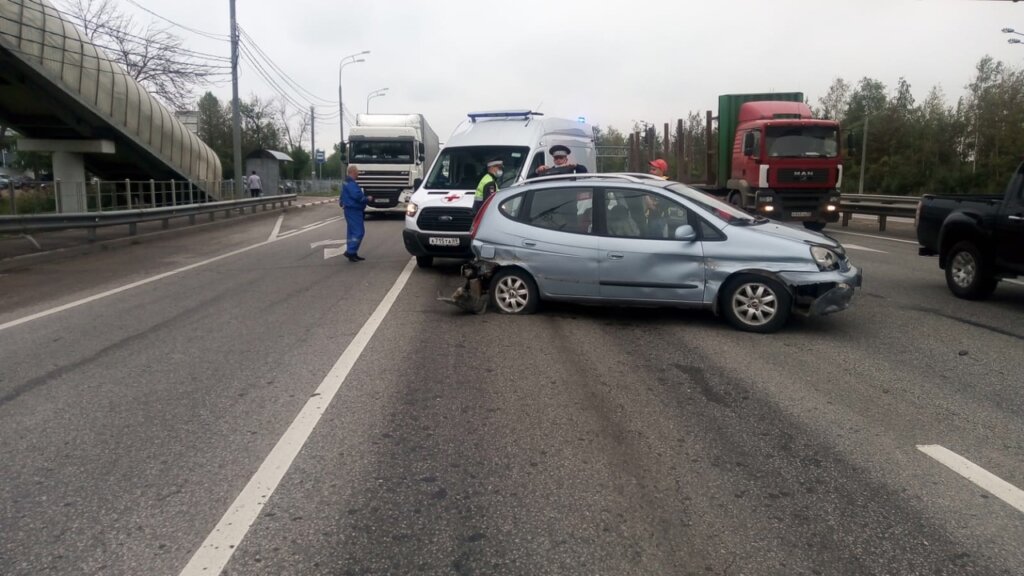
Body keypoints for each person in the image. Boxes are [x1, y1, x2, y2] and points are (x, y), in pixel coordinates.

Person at [340, 164, 373, 262]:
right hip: (354, 210)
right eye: (357, 172)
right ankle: (350, 252)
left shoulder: (346, 182)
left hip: (351, 210)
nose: (358, 174)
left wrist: (341, 202)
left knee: (351, 233)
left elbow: (342, 195)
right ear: (353, 172)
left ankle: (353, 253)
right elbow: (356, 195)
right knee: (359, 232)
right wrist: (367, 198)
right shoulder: (351, 183)